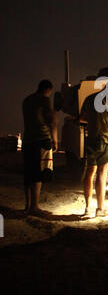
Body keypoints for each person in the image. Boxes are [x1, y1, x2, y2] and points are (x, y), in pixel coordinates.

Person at [80, 94, 108, 217]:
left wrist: (94, 121)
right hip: (106, 138)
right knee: (102, 174)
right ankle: (100, 209)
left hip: (92, 138)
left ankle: (87, 208)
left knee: (89, 172)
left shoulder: (88, 98)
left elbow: (82, 118)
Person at [22, 79, 58, 215]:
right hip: (41, 139)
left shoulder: (26, 100)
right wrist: (55, 140)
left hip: (27, 140)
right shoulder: (44, 99)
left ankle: (27, 205)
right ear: (48, 90)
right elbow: (51, 122)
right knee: (39, 172)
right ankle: (34, 207)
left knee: (29, 172)